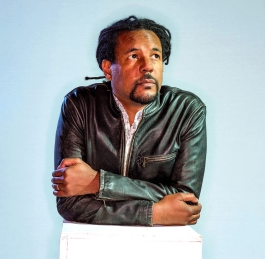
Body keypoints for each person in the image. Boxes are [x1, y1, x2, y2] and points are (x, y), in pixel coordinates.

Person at [51, 16, 206, 226]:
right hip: (92, 242)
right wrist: (154, 213)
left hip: (161, 244)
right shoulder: (80, 105)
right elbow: (70, 203)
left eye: (155, 56)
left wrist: (97, 182)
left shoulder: (186, 110)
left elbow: (185, 201)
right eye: (134, 56)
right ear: (108, 69)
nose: (148, 67)